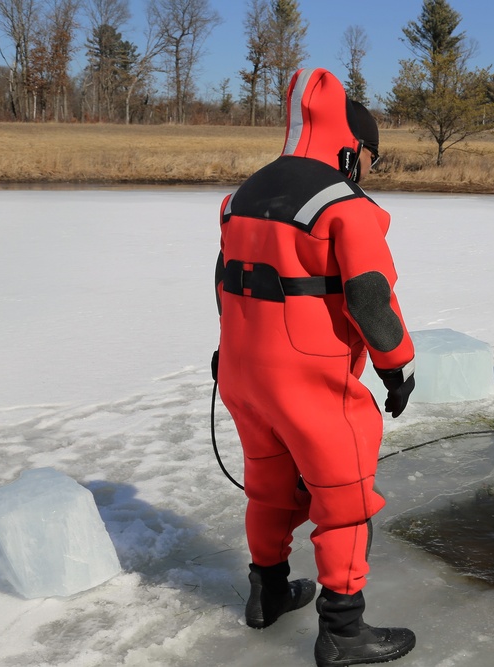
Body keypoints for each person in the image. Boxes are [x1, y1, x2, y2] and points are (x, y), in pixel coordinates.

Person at [213, 67, 416, 667]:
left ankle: (267, 594)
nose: (370, 170)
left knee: (270, 488)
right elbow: (371, 297)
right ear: (351, 149)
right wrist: (396, 366)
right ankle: (344, 633)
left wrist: (228, 352)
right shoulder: (346, 207)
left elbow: (225, 281)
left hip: (243, 376)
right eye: (370, 158)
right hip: (309, 380)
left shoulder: (243, 194)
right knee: (345, 501)